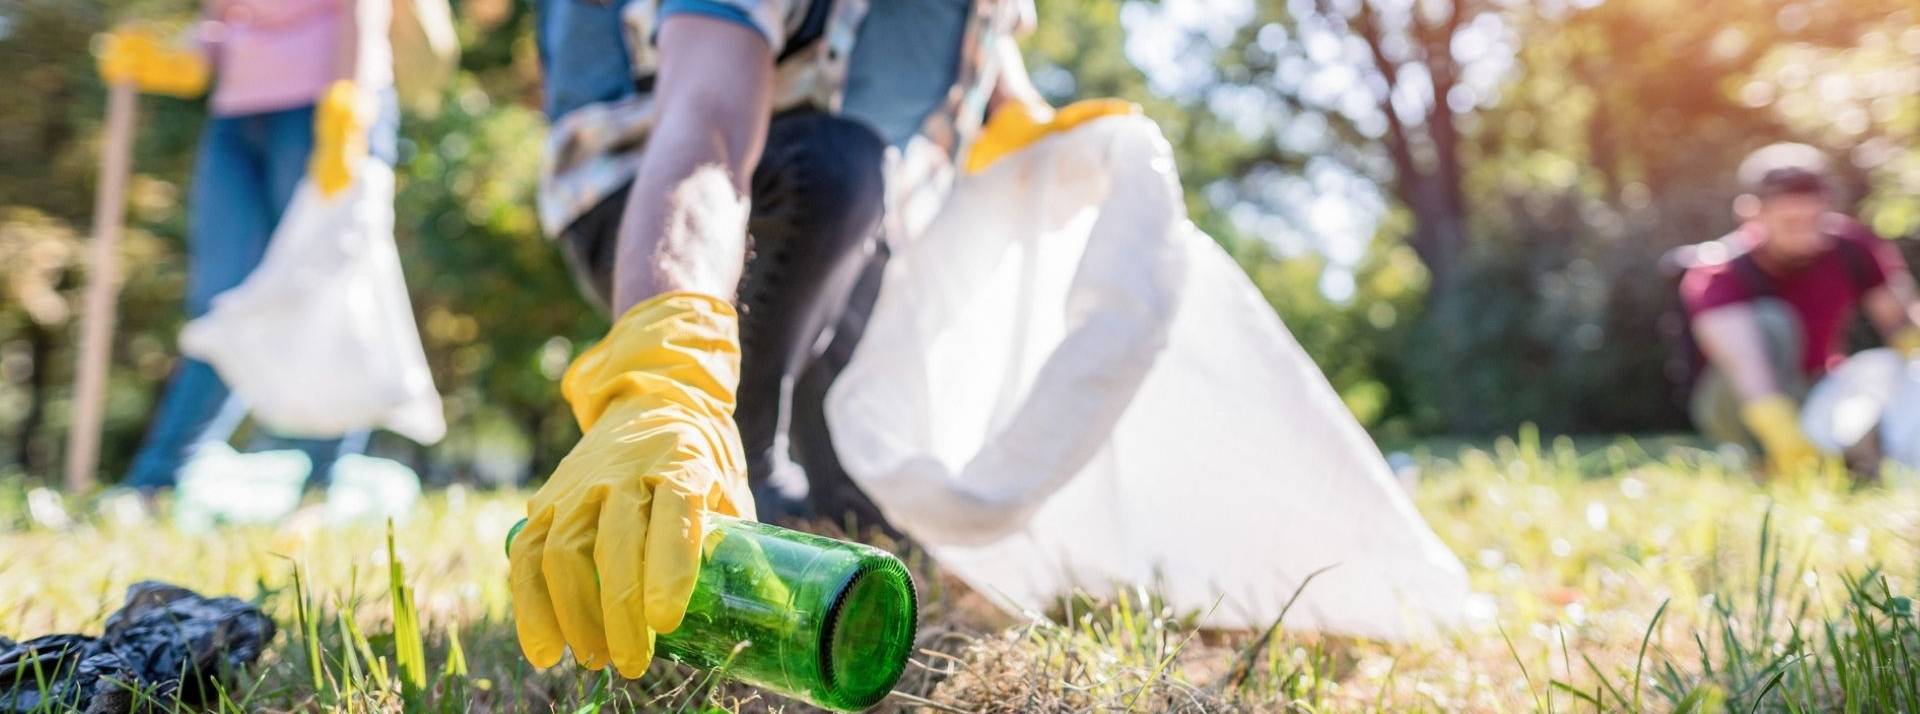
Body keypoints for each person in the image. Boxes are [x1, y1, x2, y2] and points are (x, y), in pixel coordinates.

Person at [510, 0, 1135, 677]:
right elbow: (706, 129)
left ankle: (811, 503)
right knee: (837, 168)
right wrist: (666, 370)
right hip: (655, 198)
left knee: (869, 515)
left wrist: (1026, 122)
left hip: (851, 238)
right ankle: (741, 475)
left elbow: (970, 51)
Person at [102, 0, 400, 491]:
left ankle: (322, 485)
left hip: (326, 100)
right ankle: (157, 484)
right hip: (237, 113)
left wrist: (351, 98)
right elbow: (225, 20)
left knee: (320, 292)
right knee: (220, 304)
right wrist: (176, 57)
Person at [1680, 143, 1920, 475]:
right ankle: (1763, 456)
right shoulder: (1719, 272)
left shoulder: (1850, 247)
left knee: (1877, 367)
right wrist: (1780, 430)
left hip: (1820, 386)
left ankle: (1851, 455)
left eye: (1815, 220)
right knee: (1773, 322)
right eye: (1791, 222)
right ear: (1752, 213)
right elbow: (1746, 365)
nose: (1806, 235)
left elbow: (1901, 323)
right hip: (1744, 399)